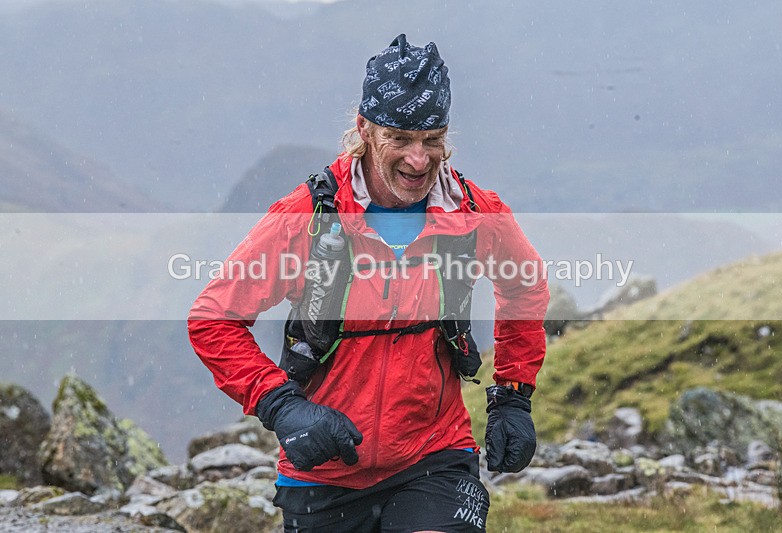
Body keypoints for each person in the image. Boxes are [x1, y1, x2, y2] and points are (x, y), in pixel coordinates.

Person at [188, 34, 549, 533]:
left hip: (433, 455)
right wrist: (282, 406)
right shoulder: (308, 219)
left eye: (432, 140)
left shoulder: (471, 213)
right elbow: (213, 319)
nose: (419, 160)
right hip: (324, 467)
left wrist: (513, 393)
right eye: (399, 139)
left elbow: (525, 286)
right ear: (364, 129)